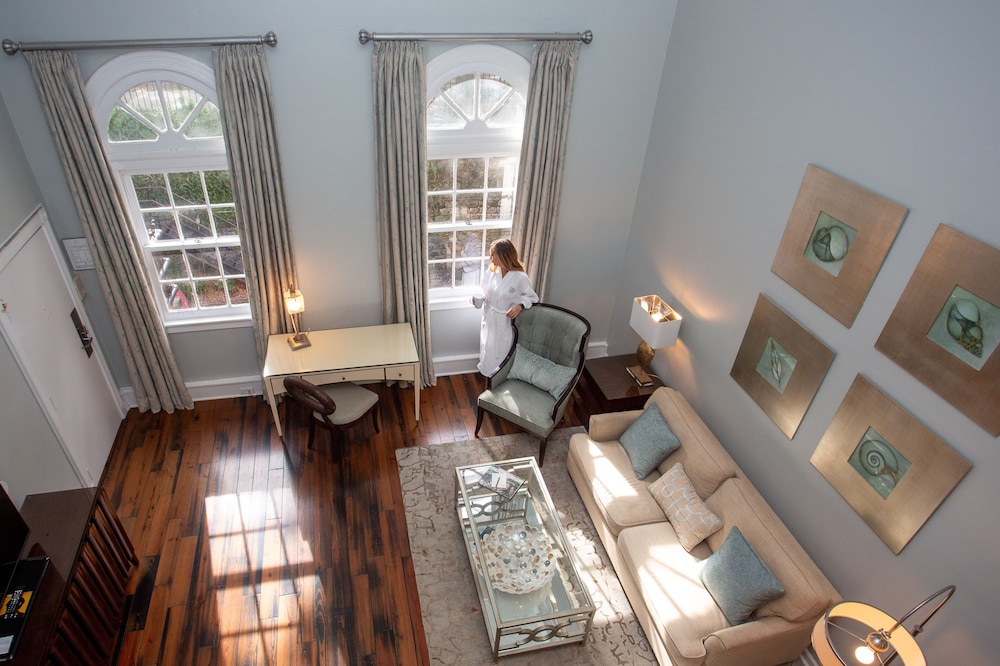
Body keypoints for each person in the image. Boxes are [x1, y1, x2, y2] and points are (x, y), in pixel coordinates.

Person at [476, 239, 538, 376]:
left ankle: (500, 379)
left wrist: (520, 306)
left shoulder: (520, 277)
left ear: (503, 255)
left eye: (493, 254)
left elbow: (532, 297)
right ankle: (488, 378)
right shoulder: (491, 272)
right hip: (489, 318)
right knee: (487, 348)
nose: (491, 258)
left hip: (505, 322)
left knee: (503, 351)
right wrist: (479, 298)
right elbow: (484, 290)